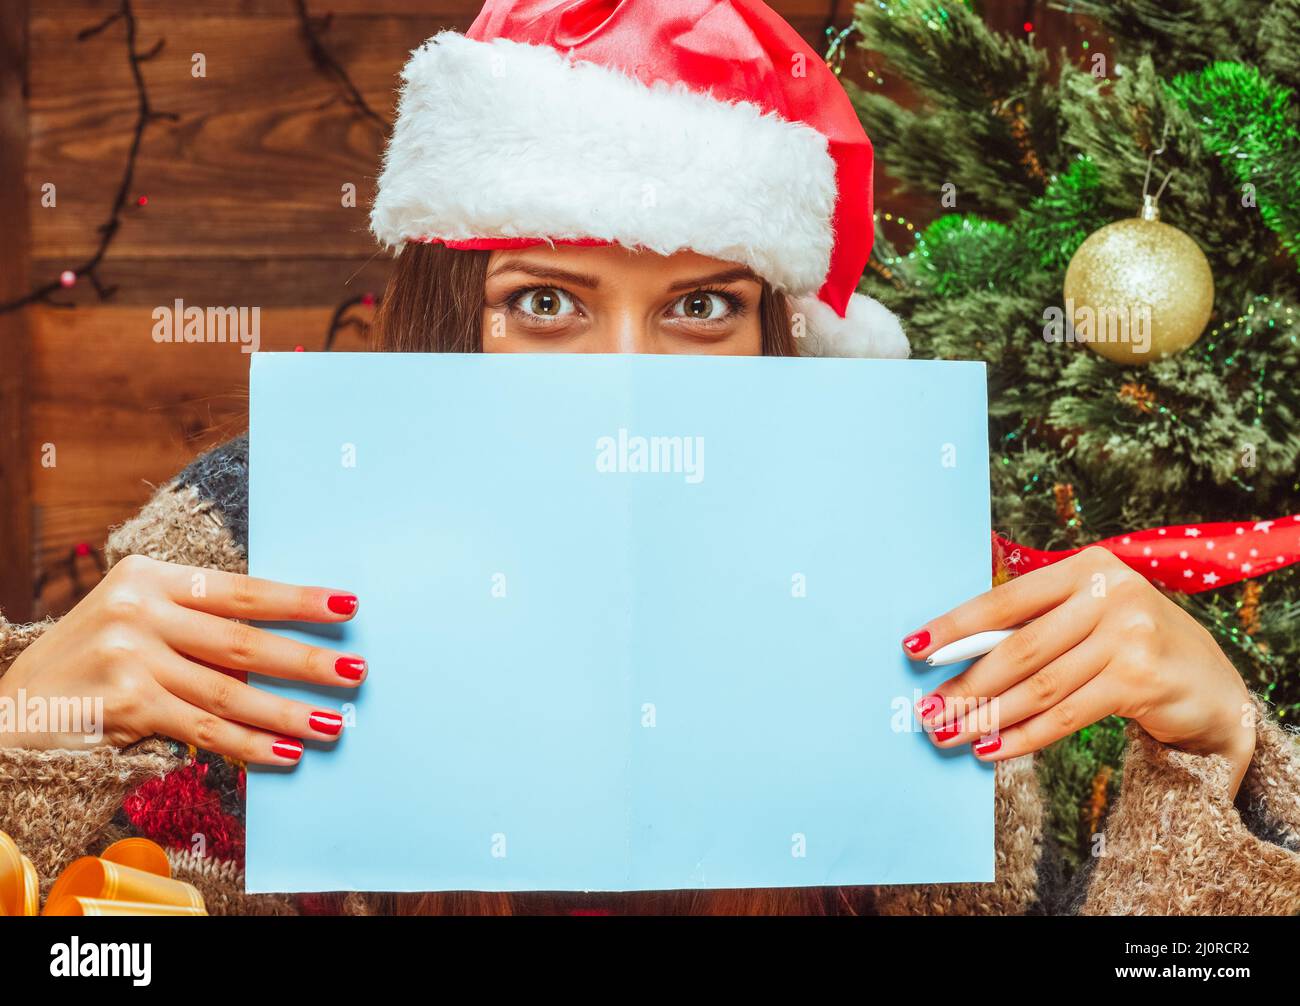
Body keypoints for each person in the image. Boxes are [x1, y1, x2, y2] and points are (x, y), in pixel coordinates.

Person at [3, 0, 1299, 916]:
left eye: (699, 306)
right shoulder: (246, 536)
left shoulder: (897, 592)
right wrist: (26, 740)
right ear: (457, 319)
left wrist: (1225, 759)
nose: (622, 381)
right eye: (548, 302)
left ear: (778, 342)